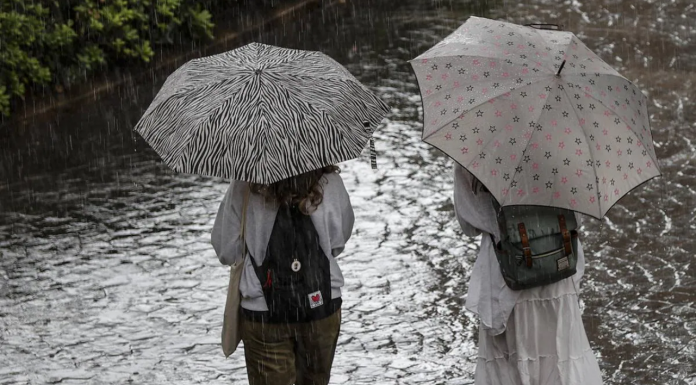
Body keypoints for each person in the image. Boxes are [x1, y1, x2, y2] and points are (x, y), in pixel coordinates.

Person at [452, 164, 604, 384]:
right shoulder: (566, 144)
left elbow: (468, 224)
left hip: (507, 274)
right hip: (557, 266)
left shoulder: (475, 150)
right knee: (563, 357)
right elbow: (576, 218)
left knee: (512, 362)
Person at [211, 165, 354, 385]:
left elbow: (226, 251)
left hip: (264, 313)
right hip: (322, 305)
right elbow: (338, 241)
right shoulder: (330, 182)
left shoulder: (245, 185)